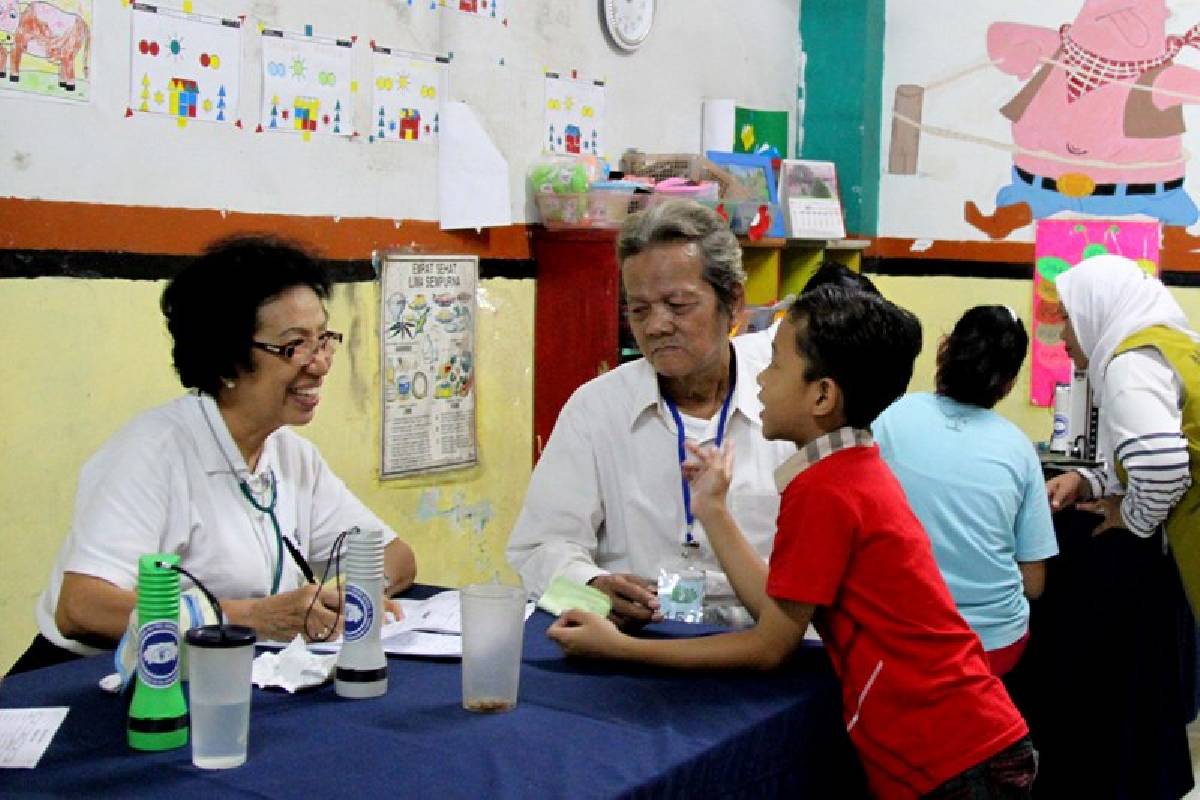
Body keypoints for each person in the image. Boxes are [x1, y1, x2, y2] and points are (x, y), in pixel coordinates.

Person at [548, 287, 1035, 798]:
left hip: (954, 754)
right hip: (961, 746)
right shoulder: (845, 471)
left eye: (775, 364)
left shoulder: (828, 489)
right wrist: (713, 509)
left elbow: (769, 647)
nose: (760, 376)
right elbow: (778, 609)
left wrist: (621, 649)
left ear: (822, 396)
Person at [11, 235, 417, 674]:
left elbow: (396, 556)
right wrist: (250, 618)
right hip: (95, 680)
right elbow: (82, 609)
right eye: (293, 346)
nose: (319, 364)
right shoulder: (152, 452)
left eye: (322, 340)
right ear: (225, 361)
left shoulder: (291, 455)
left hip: (225, 673)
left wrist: (357, 589)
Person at [506, 199, 794, 627]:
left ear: (733, 304)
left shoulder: (788, 406)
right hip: (637, 643)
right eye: (639, 310)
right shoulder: (596, 410)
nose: (656, 326)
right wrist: (591, 585)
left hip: (765, 644)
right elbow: (538, 548)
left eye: (678, 305)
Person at [873, 305, 1057, 676]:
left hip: (898, 636)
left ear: (945, 349)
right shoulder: (1019, 450)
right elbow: (1034, 584)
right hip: (992, 648)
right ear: (1009, 381)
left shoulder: (891, 418)